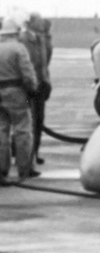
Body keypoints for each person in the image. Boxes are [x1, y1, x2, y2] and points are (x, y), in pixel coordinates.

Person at [0, 14, 39, 185]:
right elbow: (28, 73)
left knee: (1, 131)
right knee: (23, 130)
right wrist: (33, 88)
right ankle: (24, 168)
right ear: (15, 32)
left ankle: (2, 169)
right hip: (16, 92)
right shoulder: (18, 48)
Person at [20, 14, 51, 167]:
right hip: (27, 87)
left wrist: (46, 82)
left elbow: (45, 63)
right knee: (27, 123)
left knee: (38, 121)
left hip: (39, 85)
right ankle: (26, 156)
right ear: (31, 23)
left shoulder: (42, 39)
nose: (42, 23)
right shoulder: (23, 39)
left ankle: (35, 152)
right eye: (39, 21)